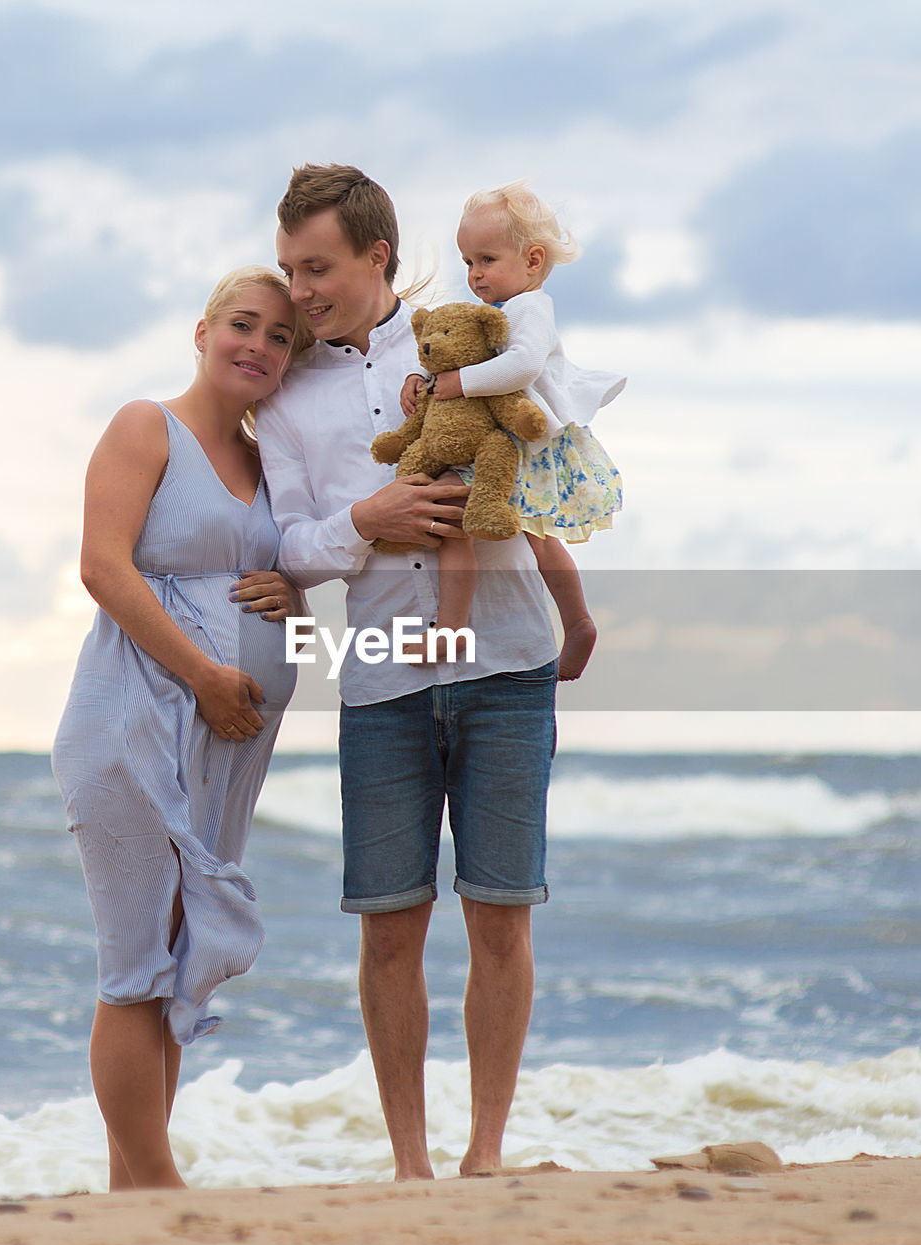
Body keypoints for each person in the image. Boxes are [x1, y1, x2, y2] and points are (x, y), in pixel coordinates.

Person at [255, 163, 558, 1181]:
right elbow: (287, 541)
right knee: (389, 925)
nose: (299, 289)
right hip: (381, 676)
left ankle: (484, 1153)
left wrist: (580, 604)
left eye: (318, 266)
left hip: (508, 655)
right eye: (291, 267)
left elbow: (548, 465)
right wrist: (363, 523)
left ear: (376, 258)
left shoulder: (472, 339)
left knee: (501, 912)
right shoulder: (288, 398)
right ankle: (411, 1163)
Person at [52, 266, 310, 1191]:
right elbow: (103, 568)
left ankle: (136, 1193)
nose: (259, 346)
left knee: (177, 953)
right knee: (135, 965)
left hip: (225, 743)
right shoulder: (144, 426)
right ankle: (158, 1189)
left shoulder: (266, 461)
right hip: (136, 718)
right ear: (201, 332)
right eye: (243, 325)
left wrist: (294, 593)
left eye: (281, 338)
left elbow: (279, 579)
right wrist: (203, 674)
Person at [399, 181, 625, 679]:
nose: (475, 274)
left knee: (465, 519)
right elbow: (462, 354)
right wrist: (427, 378)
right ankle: (577, 621)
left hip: (527, 440)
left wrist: (453, 385)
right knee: (536, 537)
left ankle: (454, 630)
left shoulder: (529, 309)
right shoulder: (494, 313)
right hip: (501, 438)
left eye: (486, 259)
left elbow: (520, 367)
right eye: (468, 263)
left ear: (532, 260)